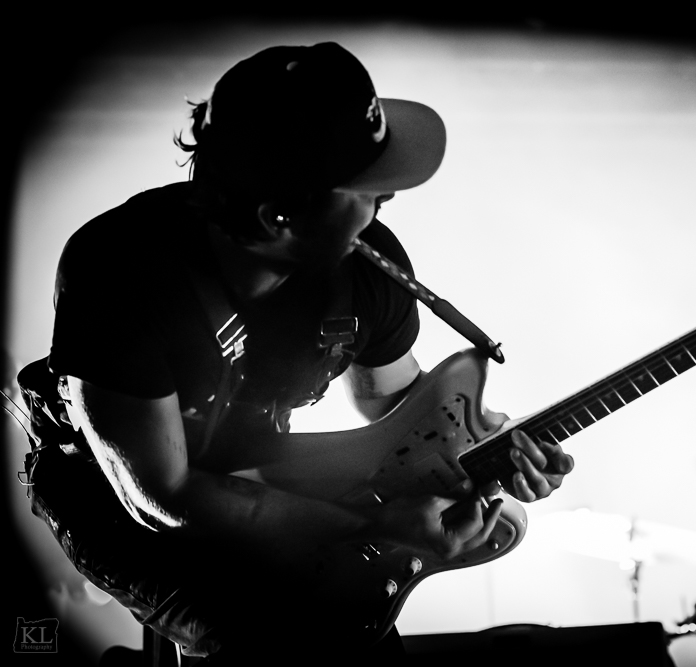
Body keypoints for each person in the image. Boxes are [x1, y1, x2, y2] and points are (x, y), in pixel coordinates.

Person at [17, 43, 573, 664]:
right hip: (113, 495)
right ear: (278, 215)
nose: (383, 202)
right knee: (274, 636)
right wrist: (371, 529)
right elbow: (165, 498)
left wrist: (494, 449)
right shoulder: (123, 275)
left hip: (249, 464)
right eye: (365, 191)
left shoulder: (369, 268)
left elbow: (394, 405)